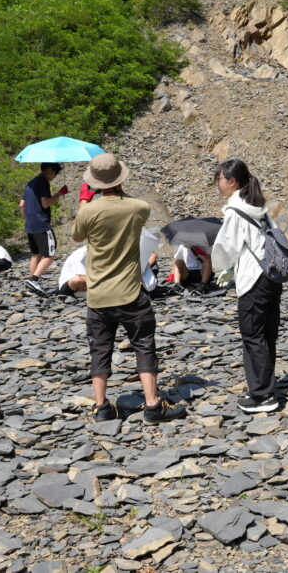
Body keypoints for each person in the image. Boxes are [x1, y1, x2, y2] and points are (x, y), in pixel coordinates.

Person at [72, 153, 186, 424]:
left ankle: (101, 407)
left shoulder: (88, 210)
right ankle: (153, 406)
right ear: (120, 178)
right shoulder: (138, 207)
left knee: (100, 350)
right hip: (130, 291)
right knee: (144, 346)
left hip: (98, 293)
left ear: (95, 183)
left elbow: (77, 235)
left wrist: (85, 202)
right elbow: (133, 208)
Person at [211, 159, 283, 414]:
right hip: (271, 275)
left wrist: (221, 268)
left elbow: (225, 248)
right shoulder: (258, 205)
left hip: (252, 279)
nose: (217, 184)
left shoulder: (236, 210)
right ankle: (266, 386)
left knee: (253, 335)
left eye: (219, 179)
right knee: (267, 334)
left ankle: (263, 396)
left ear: (232, 181)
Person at [20, 162, 69, 295]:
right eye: (55, 173)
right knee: (49, 254)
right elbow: (45, 203)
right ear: (49, 169)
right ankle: (34, 280)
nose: (55, 176)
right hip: (41, 224)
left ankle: (31, 286)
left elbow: (21, 204)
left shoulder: (31, 183)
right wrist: (60, 193)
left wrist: (27, 218)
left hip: (30, 224)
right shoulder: (43, 182)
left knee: (36, 254)